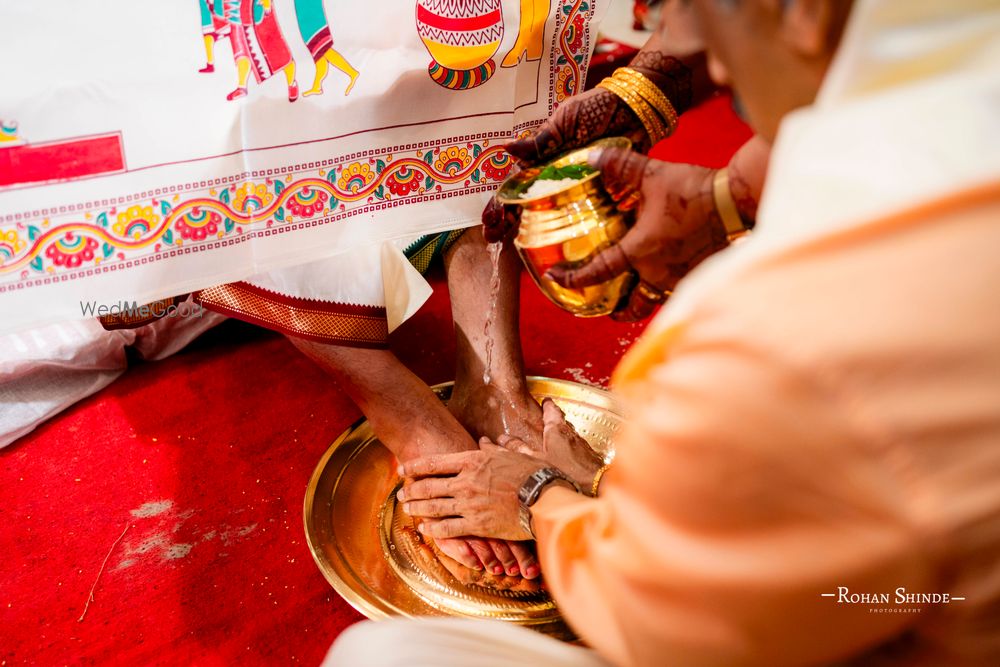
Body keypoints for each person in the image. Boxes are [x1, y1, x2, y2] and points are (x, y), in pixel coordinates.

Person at [327, 0, 1000, 665]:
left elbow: (660, 621)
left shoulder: (764, 343)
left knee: (377, 656)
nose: (681, 42)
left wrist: (544, 498)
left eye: (681, 5)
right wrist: (726, 197)